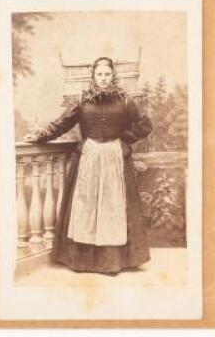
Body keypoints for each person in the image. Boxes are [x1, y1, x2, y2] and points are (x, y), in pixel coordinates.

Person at [24, 57, 152, 275]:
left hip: (114, 157)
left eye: (107, 74)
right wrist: (40, 136)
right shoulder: (83, 100)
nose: (103, 78)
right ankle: (83, 261)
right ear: (93, 75)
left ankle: (113, 261)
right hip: (89, 157)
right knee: (86, 206)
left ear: (113, 75)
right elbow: (62, 123)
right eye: (99, 74)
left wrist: (123, 140)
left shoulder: (125, 101)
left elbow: (145, 125)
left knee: (113, 206)